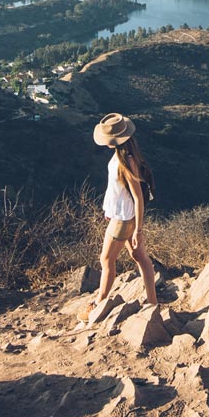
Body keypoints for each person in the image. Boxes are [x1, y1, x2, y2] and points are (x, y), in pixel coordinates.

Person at [87, 112, 158, 325]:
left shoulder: (124, 161)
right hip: (123, 217)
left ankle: (100, 302)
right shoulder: (127, 157)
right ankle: (153, 303)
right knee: (140, 257)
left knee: (106, 260)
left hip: (123, 220)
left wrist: (138, 229)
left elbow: (138, 198)